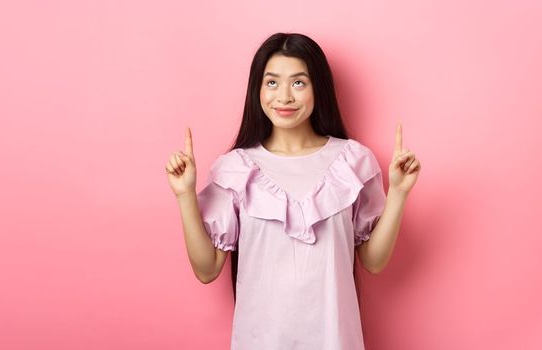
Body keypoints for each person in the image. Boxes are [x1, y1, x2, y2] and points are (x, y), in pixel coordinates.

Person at [165, 32, 421, 349]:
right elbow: (206, 270)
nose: (284, 96)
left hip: (335, 340)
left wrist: (398, 192)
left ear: (318, 89)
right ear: (257, 90)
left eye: (298, 83)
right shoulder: (235, 169)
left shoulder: (354, 161)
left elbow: (374, 261)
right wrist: (185, 195)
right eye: (272, 83)